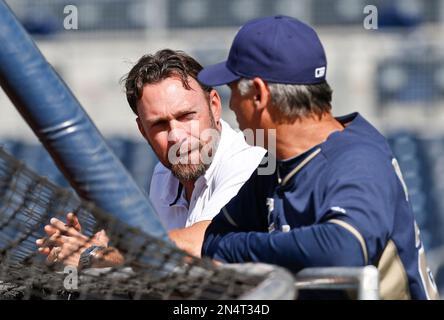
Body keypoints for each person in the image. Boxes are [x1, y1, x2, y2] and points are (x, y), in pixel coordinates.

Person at [195, 15, 439, 300]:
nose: (232, 105)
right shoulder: (276, 163)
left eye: (233, 90)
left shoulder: (358, 160)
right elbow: (214, 237)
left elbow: (342, 248)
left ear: (259, 94)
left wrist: (237, 251)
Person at [36, 49, 265, 267]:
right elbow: (165, 264)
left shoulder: (248, 160)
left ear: (214, 106)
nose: (176, 136)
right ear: (143, 130)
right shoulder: (163, 172)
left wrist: (93, 254)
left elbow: (201, 245)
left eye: (186, 116)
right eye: (159, 124)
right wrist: (85, 247)